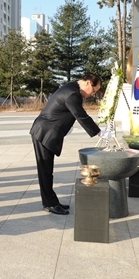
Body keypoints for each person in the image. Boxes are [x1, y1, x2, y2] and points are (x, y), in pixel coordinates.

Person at [29, 73, 106, 215]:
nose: (93, 94)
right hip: (44, 133)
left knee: (47, 170)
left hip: (45, 131)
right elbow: (81, 115)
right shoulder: (73, 94)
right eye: (94, 91)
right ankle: (49, 203)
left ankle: (52, 201)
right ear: (88, 83)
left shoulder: (71, 88)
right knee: (45, 171)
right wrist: (99, 132)